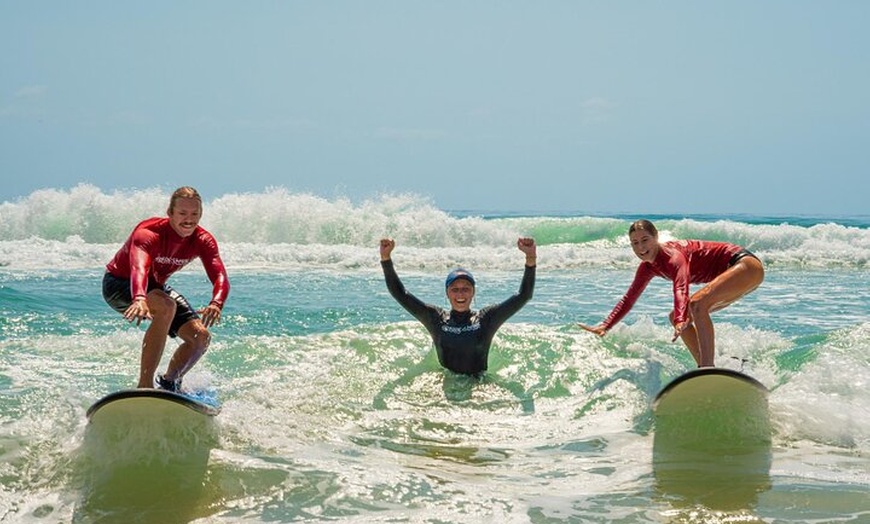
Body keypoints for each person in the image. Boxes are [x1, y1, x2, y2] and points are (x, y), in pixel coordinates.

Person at [579, 219, 764, 368]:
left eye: (645, 240)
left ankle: (707, 367)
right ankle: (715, 366)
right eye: (635, 243)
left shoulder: (673, 257)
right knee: (675, 316)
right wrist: (606, 325)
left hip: (745, 265)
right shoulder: (647, 268)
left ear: (656, 238)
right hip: (737, 277)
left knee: (696, 305)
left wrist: (681, 319)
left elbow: (681, 288)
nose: (640, 247)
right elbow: (629, 298)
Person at [102, 186, 230, 391]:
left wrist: (216, 303)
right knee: (166, 306)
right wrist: (139, 297)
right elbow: (139, 268)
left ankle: (169, 383)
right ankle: (145, 386)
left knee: (200, 338)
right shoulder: (148, 233)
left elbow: (220, 276)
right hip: (120, 283)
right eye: (182, 213)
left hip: (156, 287)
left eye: (194, 214)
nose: (188, 219)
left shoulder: (203, 240)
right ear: (170, 213)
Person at [379, 237, 536, 376]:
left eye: (466, 289)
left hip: (478, 386)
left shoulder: (486, 319)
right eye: (455, 289)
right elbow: (400, 294)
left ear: (473, 292)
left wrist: (530, 258)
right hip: (447, 385)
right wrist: (386, 258)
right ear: (447, 293)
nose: (460, 294)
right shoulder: (436, 318)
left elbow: (524, 296)